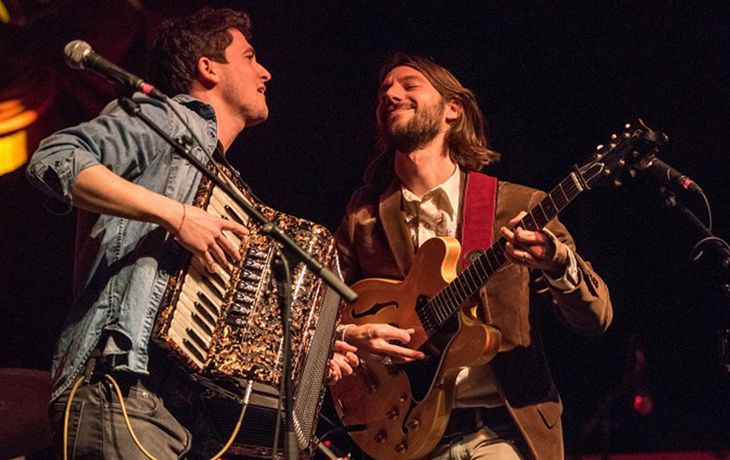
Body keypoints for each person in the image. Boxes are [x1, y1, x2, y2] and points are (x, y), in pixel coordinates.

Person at [27, 6, 356, 459]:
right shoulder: (164, 117)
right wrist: (177, 215)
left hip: (183, 417)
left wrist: (312, 351)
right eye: (249, 57)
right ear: (208, 68)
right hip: (121, 389)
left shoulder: (216, 179)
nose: (265, 71)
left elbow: (235, 336)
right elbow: (56, 157)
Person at [334, 53, 613, 460]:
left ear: (453, 109)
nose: (390, 94)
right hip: (403, 432)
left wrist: (556, 262)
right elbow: (320, 309)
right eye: (384, 90)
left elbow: (596, 317)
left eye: (409, 85)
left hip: (502, 433)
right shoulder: (364, 216)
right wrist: (350, 337)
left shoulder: (515, 205)